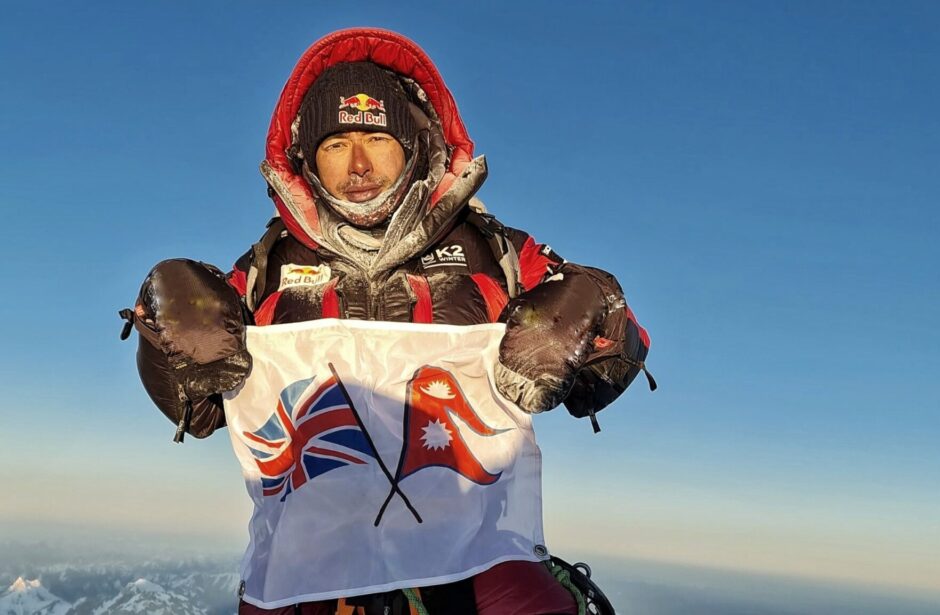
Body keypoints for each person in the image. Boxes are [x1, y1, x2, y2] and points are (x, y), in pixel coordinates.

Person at [121, 28, 652, 615]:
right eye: (335, 142)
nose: (358, 164)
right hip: (313, 563)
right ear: (305, 156)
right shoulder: (265, 271)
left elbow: (617, 360)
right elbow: (195, 411)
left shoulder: (493, 253)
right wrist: (167, 334)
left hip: (470, 551)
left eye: (376, 136)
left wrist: (588, 307)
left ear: (412, 142)